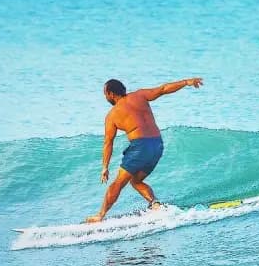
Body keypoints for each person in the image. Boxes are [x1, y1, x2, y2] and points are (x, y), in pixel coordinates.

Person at [86, 77, 203, 223]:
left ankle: (100, 215)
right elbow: (163, 89)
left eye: (105, 94)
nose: (105, 97)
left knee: (118, 183)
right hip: (157, 145)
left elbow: (108, 142)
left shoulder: (112, 115)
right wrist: (186, 82)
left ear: (111, 93)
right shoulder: (140, 95)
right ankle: (155, 204)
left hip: (139, 147)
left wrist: (105, 167)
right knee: (136, 181)